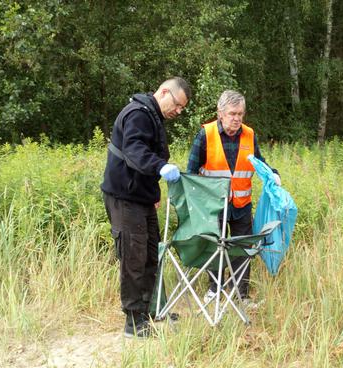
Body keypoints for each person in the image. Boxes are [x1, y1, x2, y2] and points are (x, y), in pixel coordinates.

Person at [101, 77, 191, 338]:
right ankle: (133, 323)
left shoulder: (153, 116)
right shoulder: (139, 114)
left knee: (151, 254)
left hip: (141, 197)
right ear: (164, 92)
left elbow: (147, 158)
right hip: (124, 197)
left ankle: (148, 311)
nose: (179, 111)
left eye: (182, 108)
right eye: (177, 104)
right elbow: (135, 151)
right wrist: (160, 168)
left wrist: (153, 190)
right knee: (134, 257)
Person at [187, 90, 280, 306]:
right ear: (220, 113)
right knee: (215, 247)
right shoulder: (206, 134)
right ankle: (214, 291)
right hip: (214, 206)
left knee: (242, 248)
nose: (237, 118)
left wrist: (273, 173)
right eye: (232, 113)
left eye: (240, 113)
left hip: (241, 205)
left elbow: (259, 163)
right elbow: (191, 173)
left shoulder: (249, 134)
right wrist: (196, 205)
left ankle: (241, 294)